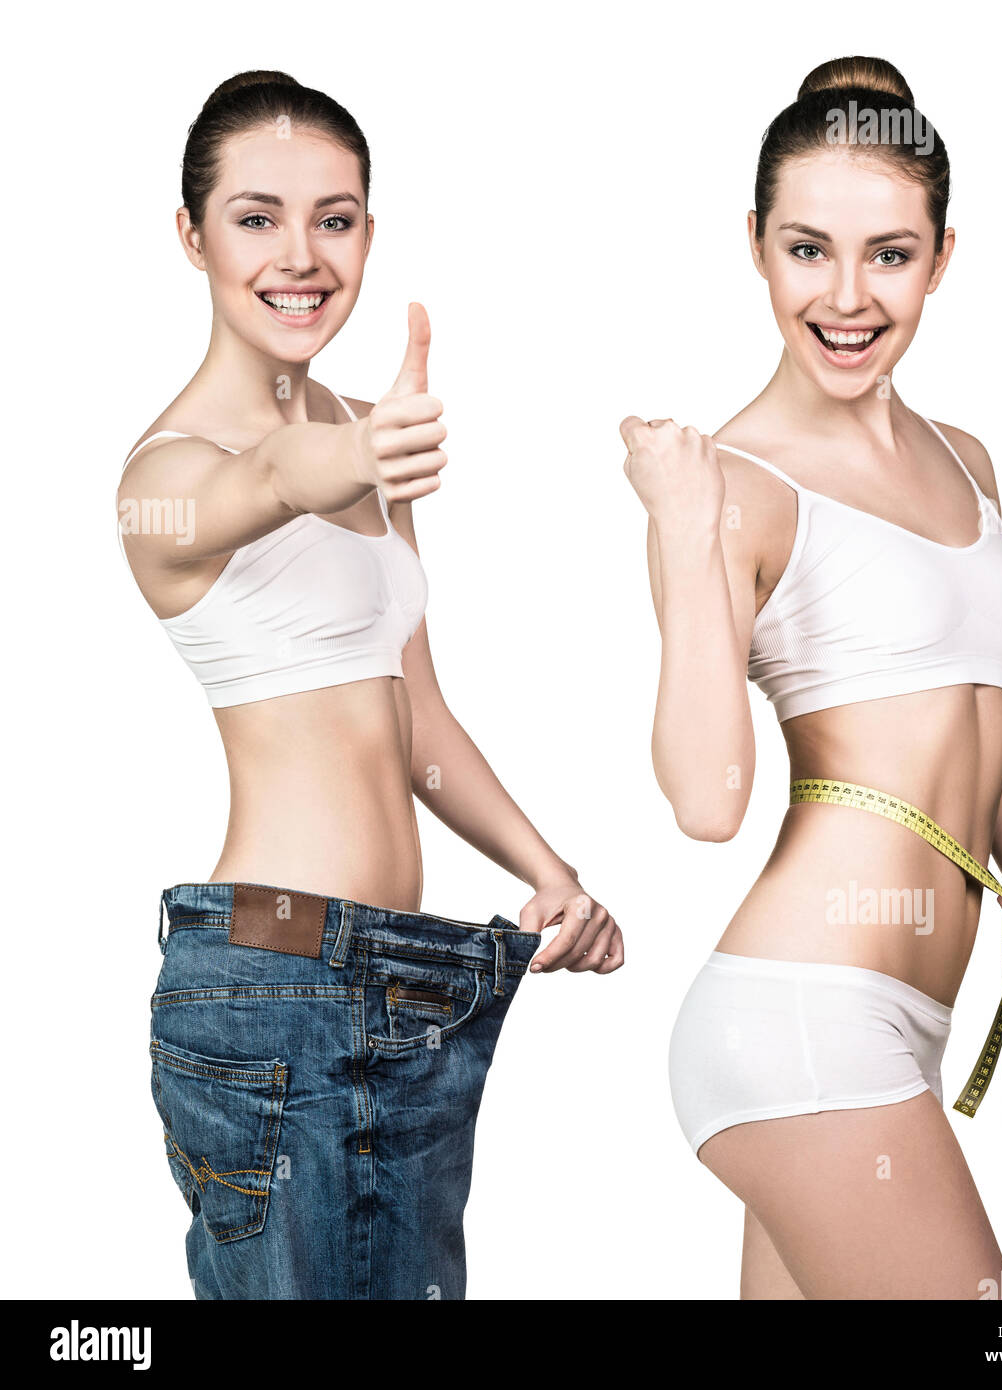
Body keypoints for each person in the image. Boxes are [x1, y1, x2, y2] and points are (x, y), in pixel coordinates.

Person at [118, 69, 623, 1301]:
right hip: (277, 997)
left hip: (402, 984)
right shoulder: (167, 479)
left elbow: (420, 723)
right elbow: (270, 476)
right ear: (190, 235)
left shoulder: (371, 440)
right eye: (256, 217)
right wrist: (337, 454)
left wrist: (547, 868)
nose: (301, 256)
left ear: (368, 234)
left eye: (334, 218)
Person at [621, 55, 1002, 1300]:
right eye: (808, 249)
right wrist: (679, 525)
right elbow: (709, 797)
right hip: (804, 1023)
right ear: (757, 247)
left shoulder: (966, 458)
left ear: (941, 257)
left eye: (889, 254)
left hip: (896, 1028)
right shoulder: (735, 486)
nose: (846, 296)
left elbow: (1000, 712)